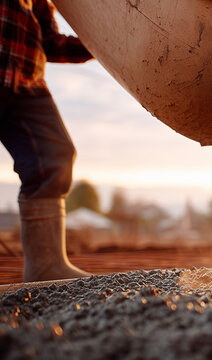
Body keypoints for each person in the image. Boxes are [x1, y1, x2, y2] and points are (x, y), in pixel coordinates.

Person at [1, 0, 94, 282]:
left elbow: (49, 41)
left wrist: (104, 47)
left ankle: (46, 267)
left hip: (26, 78)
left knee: (53, 158)